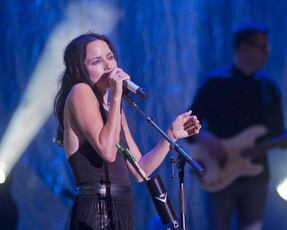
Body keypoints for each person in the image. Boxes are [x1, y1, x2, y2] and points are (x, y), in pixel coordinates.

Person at [53, 33, 201, 229]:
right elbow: (107, 151)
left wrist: (171, 135)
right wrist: (116, 97)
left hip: (121, 206)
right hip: (97, 205)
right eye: (96, 61)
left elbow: (141, 170)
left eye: (110, 57)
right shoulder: (80, 91)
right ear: (80, 69)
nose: (108, 66)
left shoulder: (113, 110)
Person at [188, 23, 287, 230]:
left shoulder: (269, 87)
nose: (267, 52)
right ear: (243, 48)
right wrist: (205, 137)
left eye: (267, 47)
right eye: (262, 47)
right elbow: (188, 124)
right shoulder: (215, 83)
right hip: (218, 170)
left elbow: (277, 134)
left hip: (256, 174)